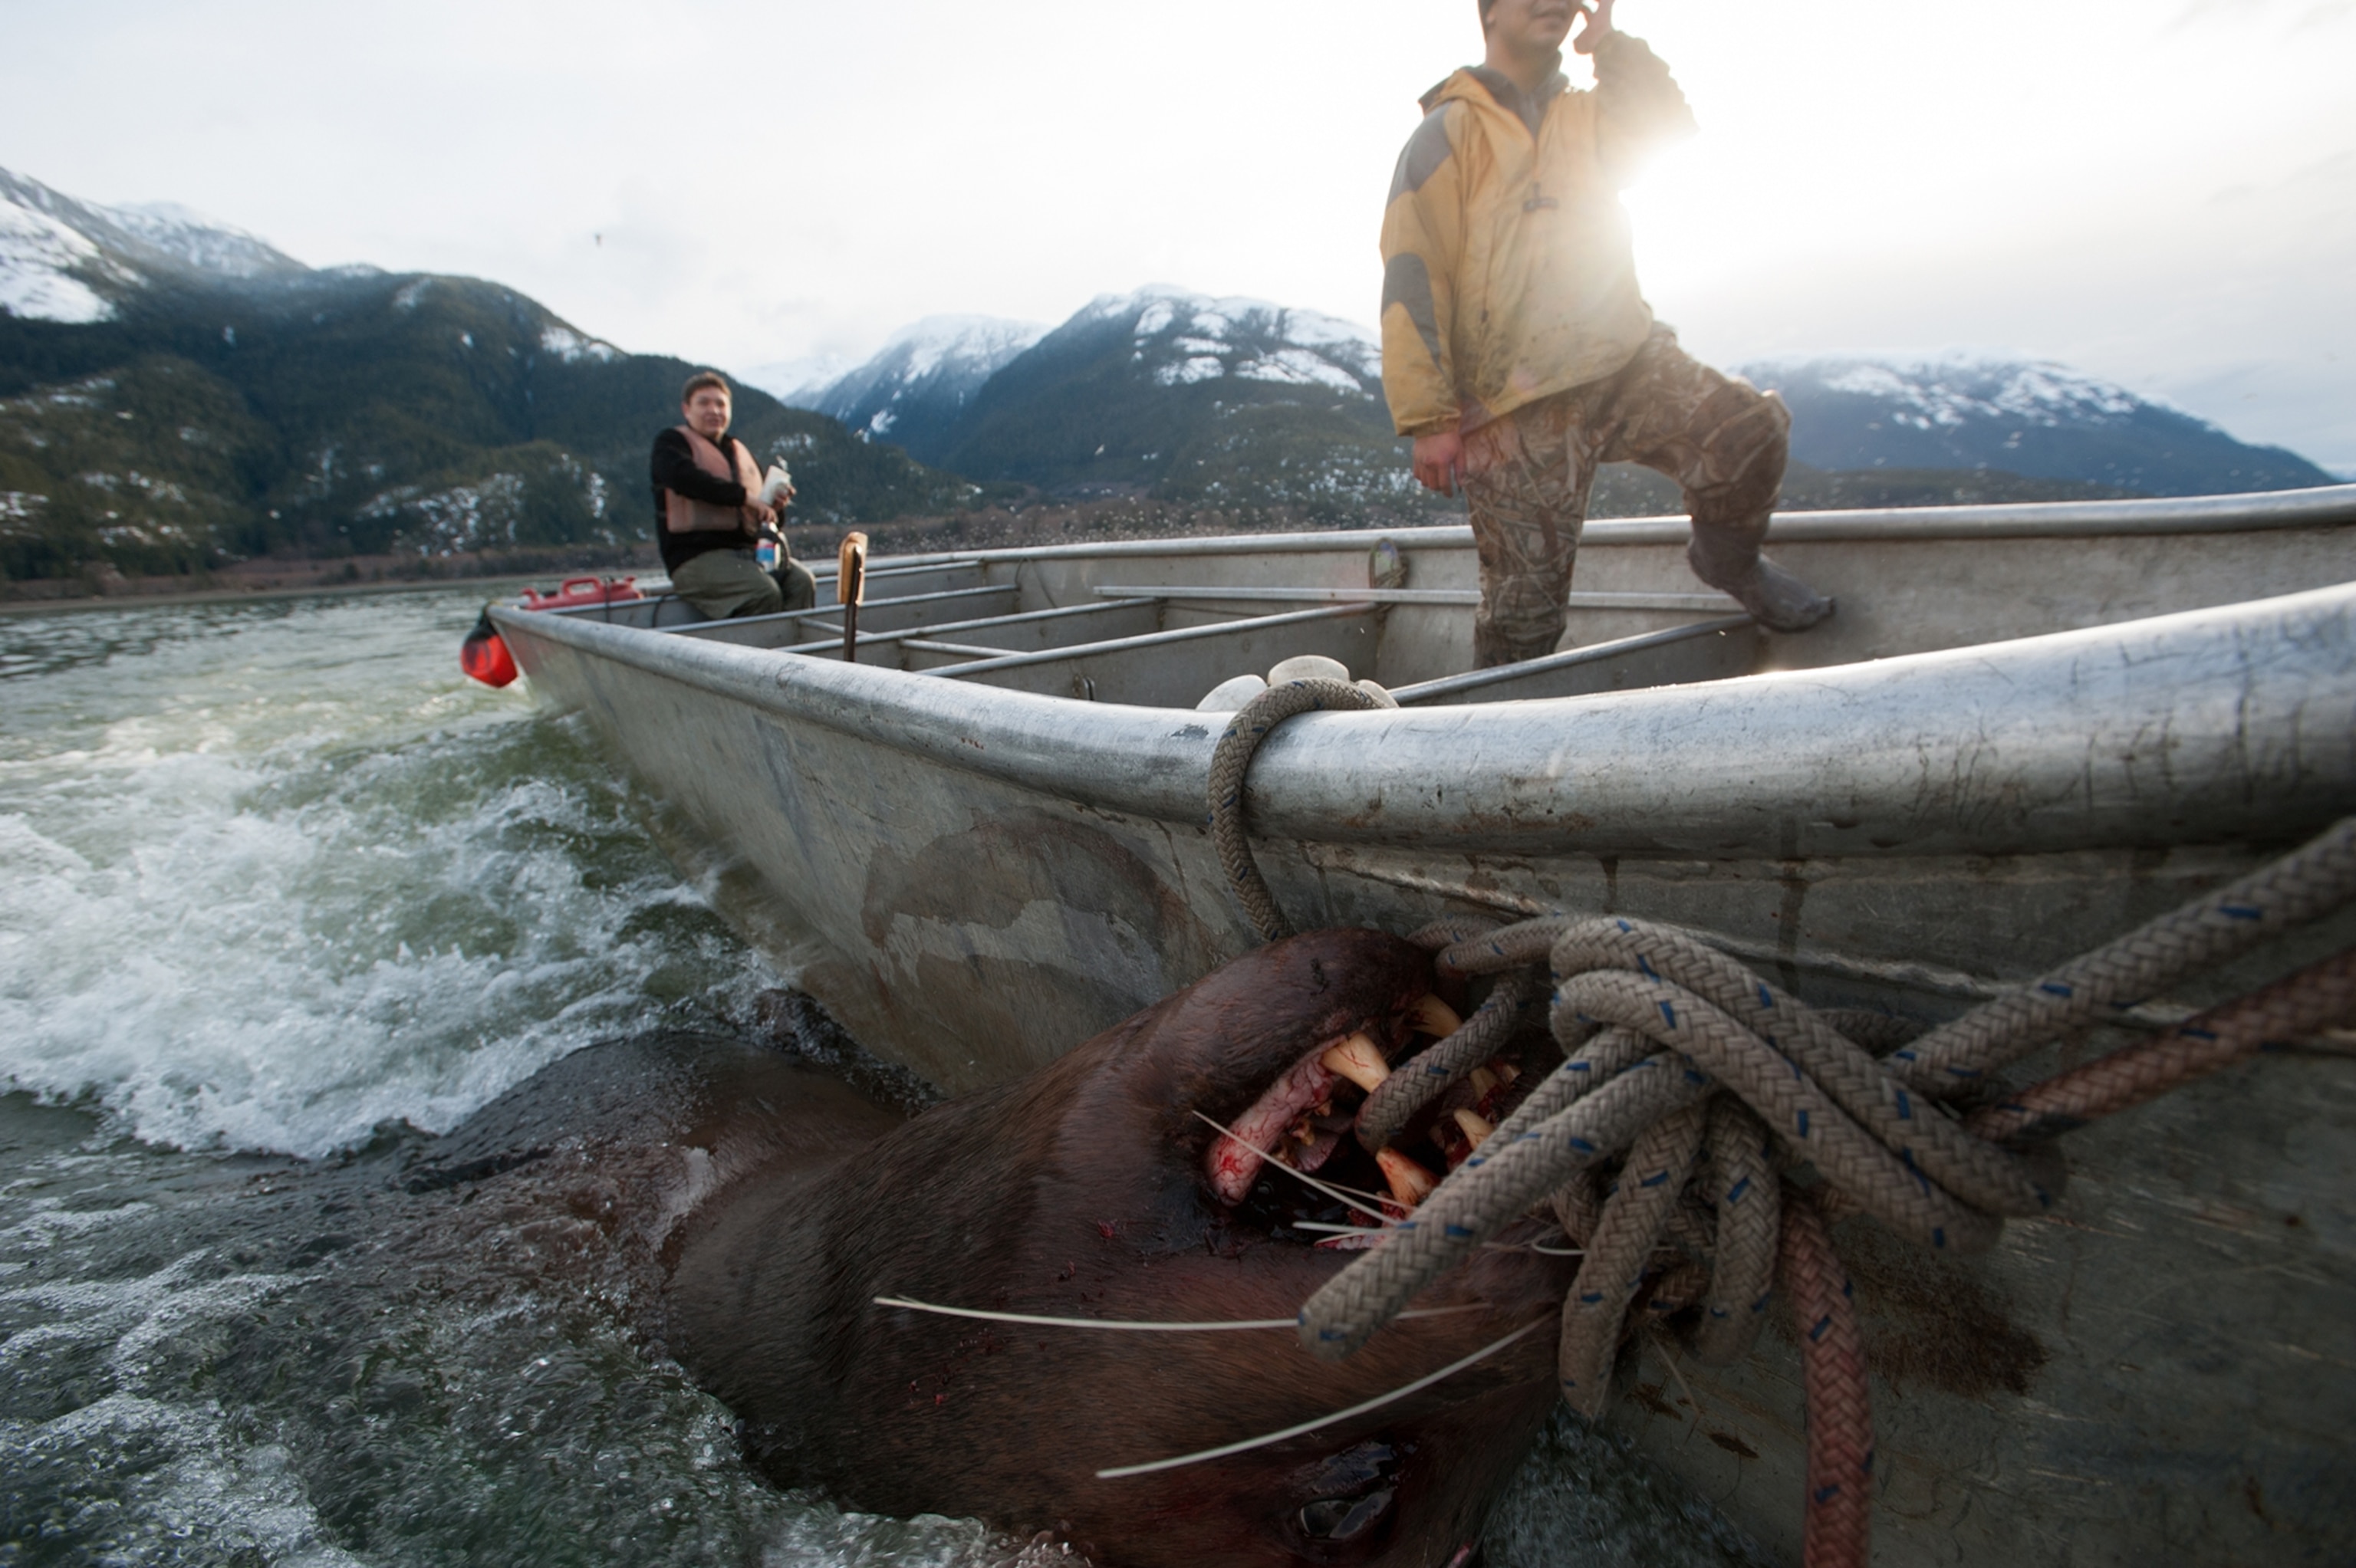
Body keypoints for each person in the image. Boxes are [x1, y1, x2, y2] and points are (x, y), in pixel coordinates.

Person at [1380, 0, 1833, 668]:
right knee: (1524, 616)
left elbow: (1668, 130)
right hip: (1512, 404)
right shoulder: (1447, 133)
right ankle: (1487, 742)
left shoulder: (1590, 115)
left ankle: (1730, 561)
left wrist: (1613, 48)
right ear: (1490, 10)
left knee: (1748, 431)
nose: (1556, 3)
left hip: (1623, 358)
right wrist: (1428, 416)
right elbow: (1414, 272)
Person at [650, 370, 818, 619]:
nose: (714, 410)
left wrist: (774, 507)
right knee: (763, 592)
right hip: (694, 558)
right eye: (704, 403)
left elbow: (766, 520)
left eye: (721, 404)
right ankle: (761, 655)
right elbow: (687, 479)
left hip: (748, 554)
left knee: (802, 581)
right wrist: (744, 498)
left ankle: (795, 652)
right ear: (687, 409)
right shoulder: (671, 445)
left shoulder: (738, 451)